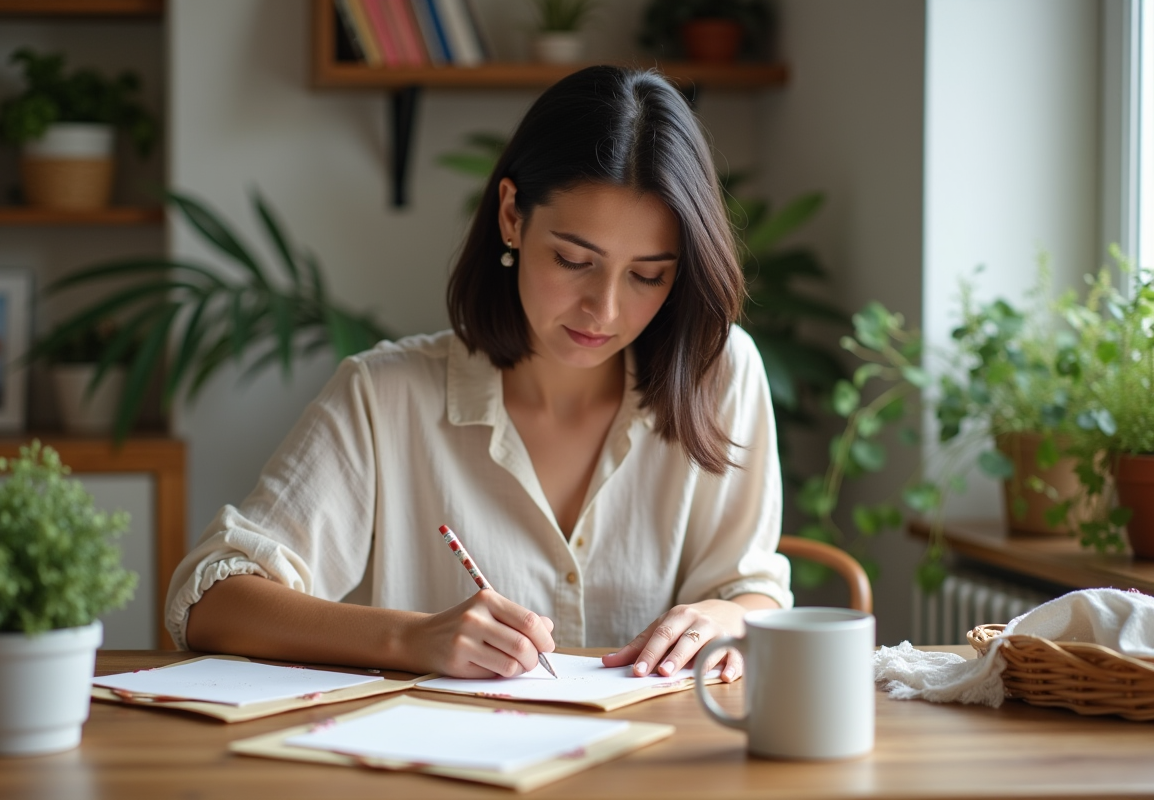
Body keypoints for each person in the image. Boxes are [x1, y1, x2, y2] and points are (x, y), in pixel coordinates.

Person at [167, 65, 791, 683]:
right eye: (574, 260)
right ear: (512, 216)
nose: (604, 310)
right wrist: (411, 637)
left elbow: (750, 588)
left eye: (648, 275)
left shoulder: (721, 375)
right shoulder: (386, 397)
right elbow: (208, 601)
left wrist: (728, 617)